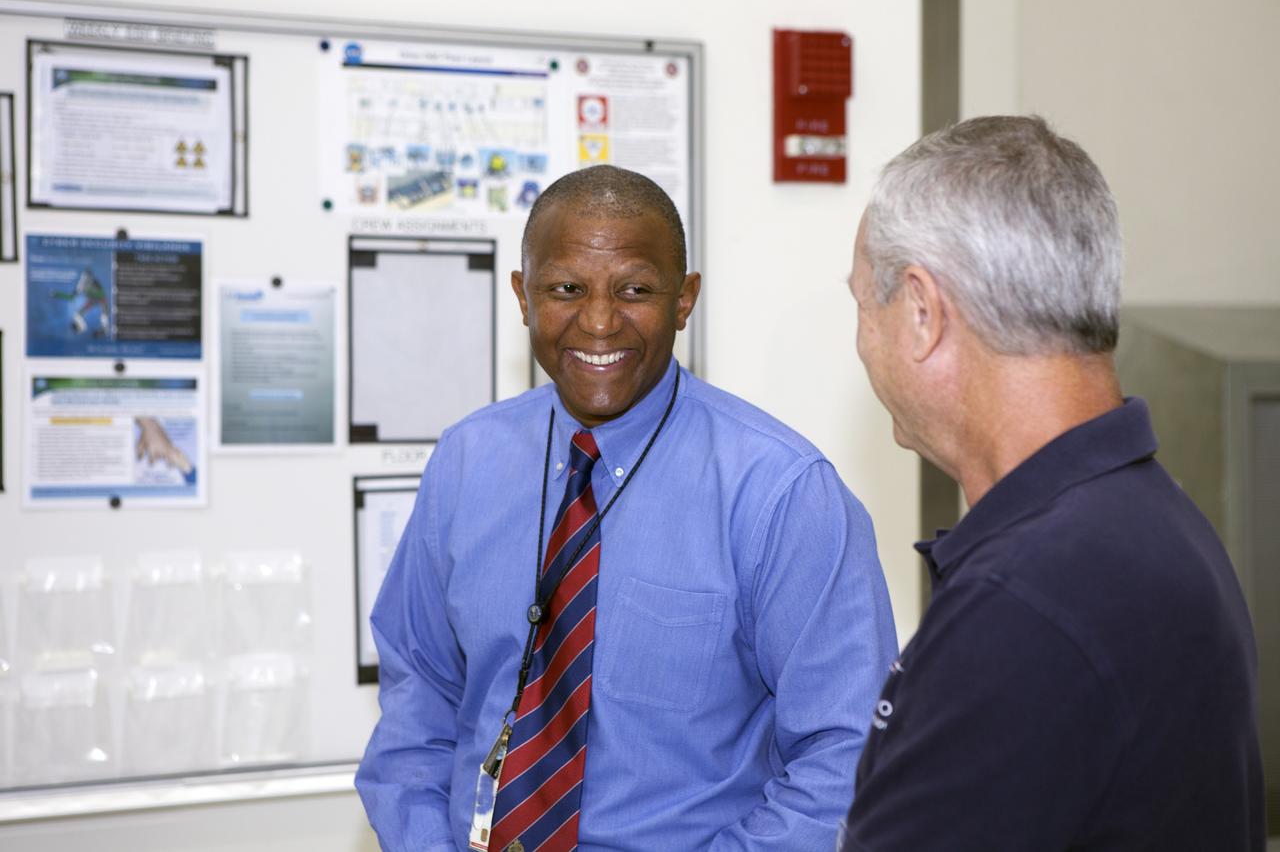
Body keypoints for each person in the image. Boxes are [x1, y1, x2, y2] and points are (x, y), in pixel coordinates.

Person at [357, 165, 897, 852]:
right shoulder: (467, 462)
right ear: (524, 296)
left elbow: (847, 756)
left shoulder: (784, 493)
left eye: (636, 289)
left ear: (685, 299)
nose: (600, 320)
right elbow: (418, 694)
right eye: (566, 289)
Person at [840, 115, 1265, 851]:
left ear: (919, 311)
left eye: (861, 305)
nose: (860, 341)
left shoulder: (1025, 600)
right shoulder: (1157, 524)